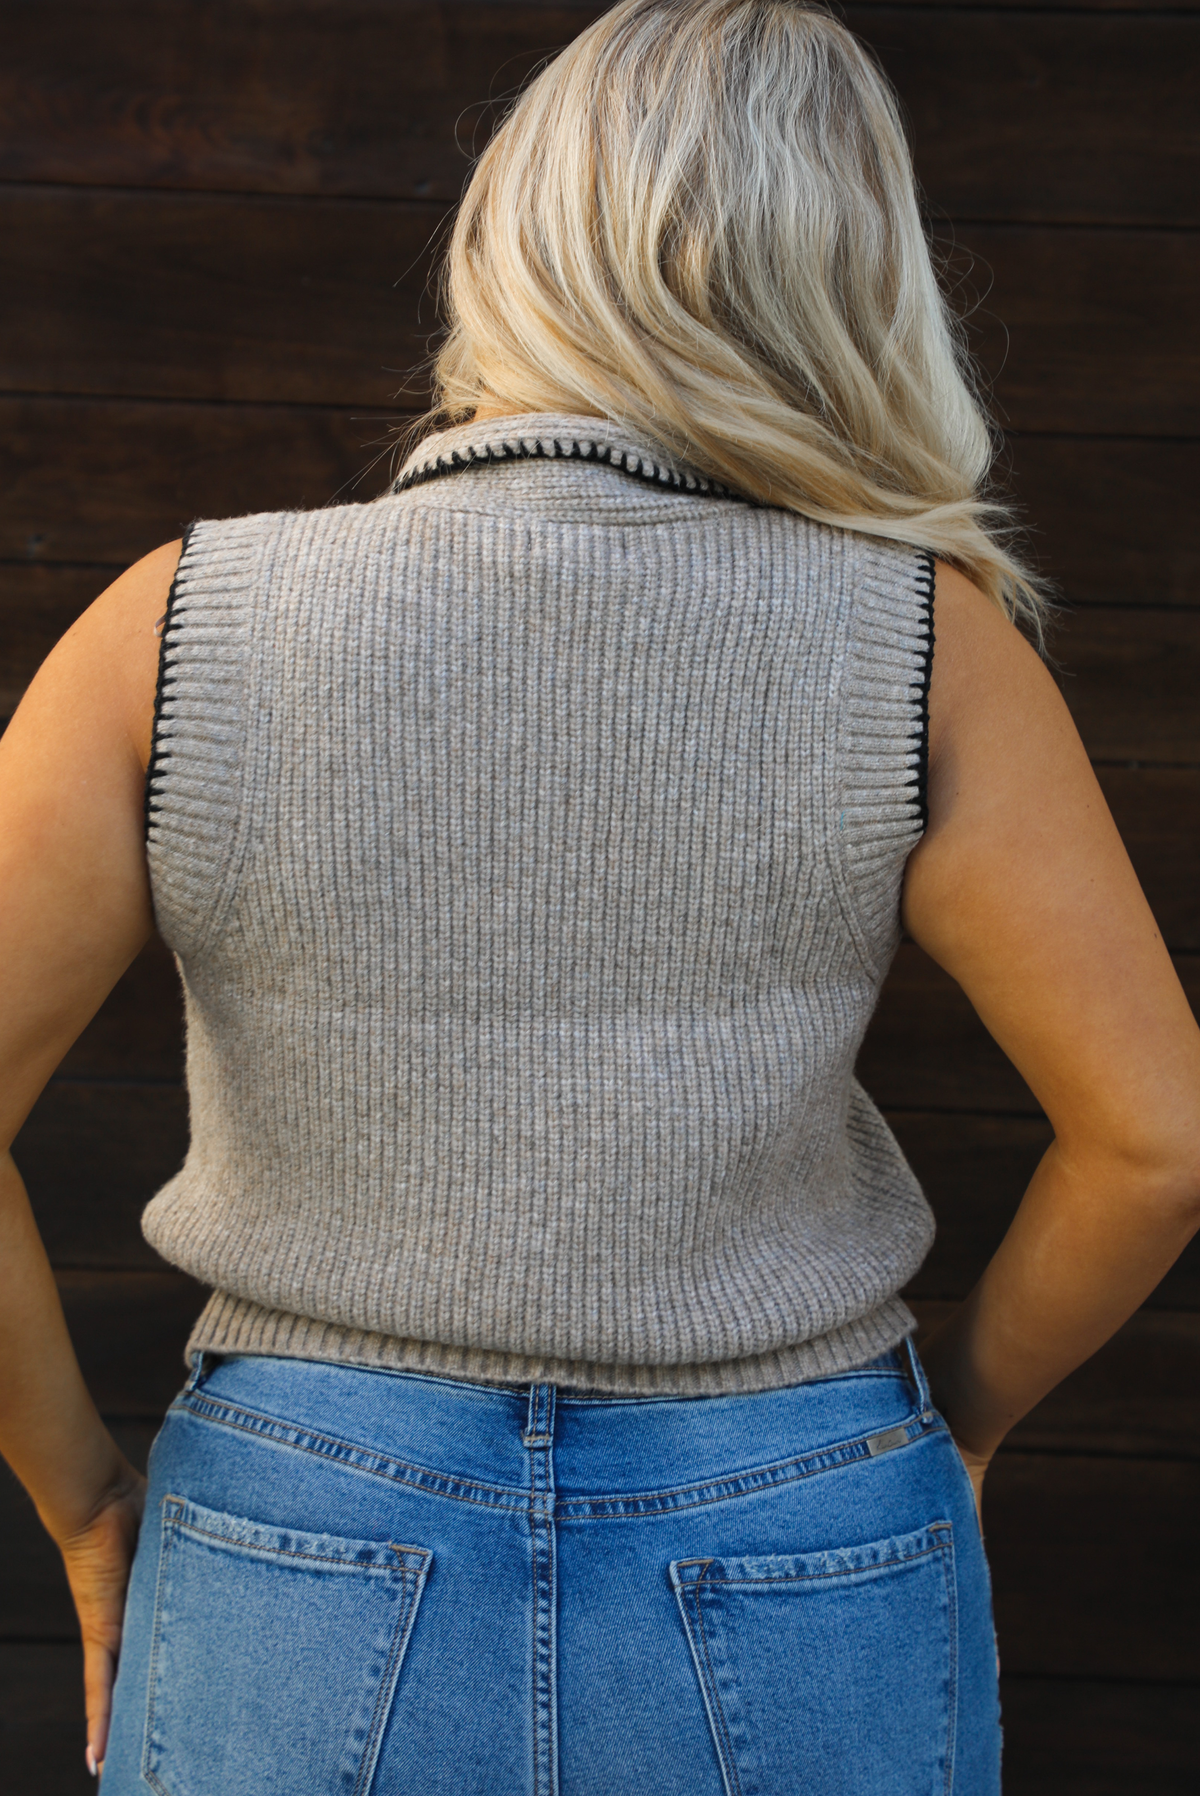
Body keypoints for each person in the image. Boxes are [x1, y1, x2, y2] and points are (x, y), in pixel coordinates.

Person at [2, 2, 1198, 1790]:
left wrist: (89, 1502)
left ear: (511, 238)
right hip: (799, 1514)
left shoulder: (177, 626)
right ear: (857, 283)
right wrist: (948, 1427)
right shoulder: (919, 643)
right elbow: (1159, 1143)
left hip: (293, 1529)